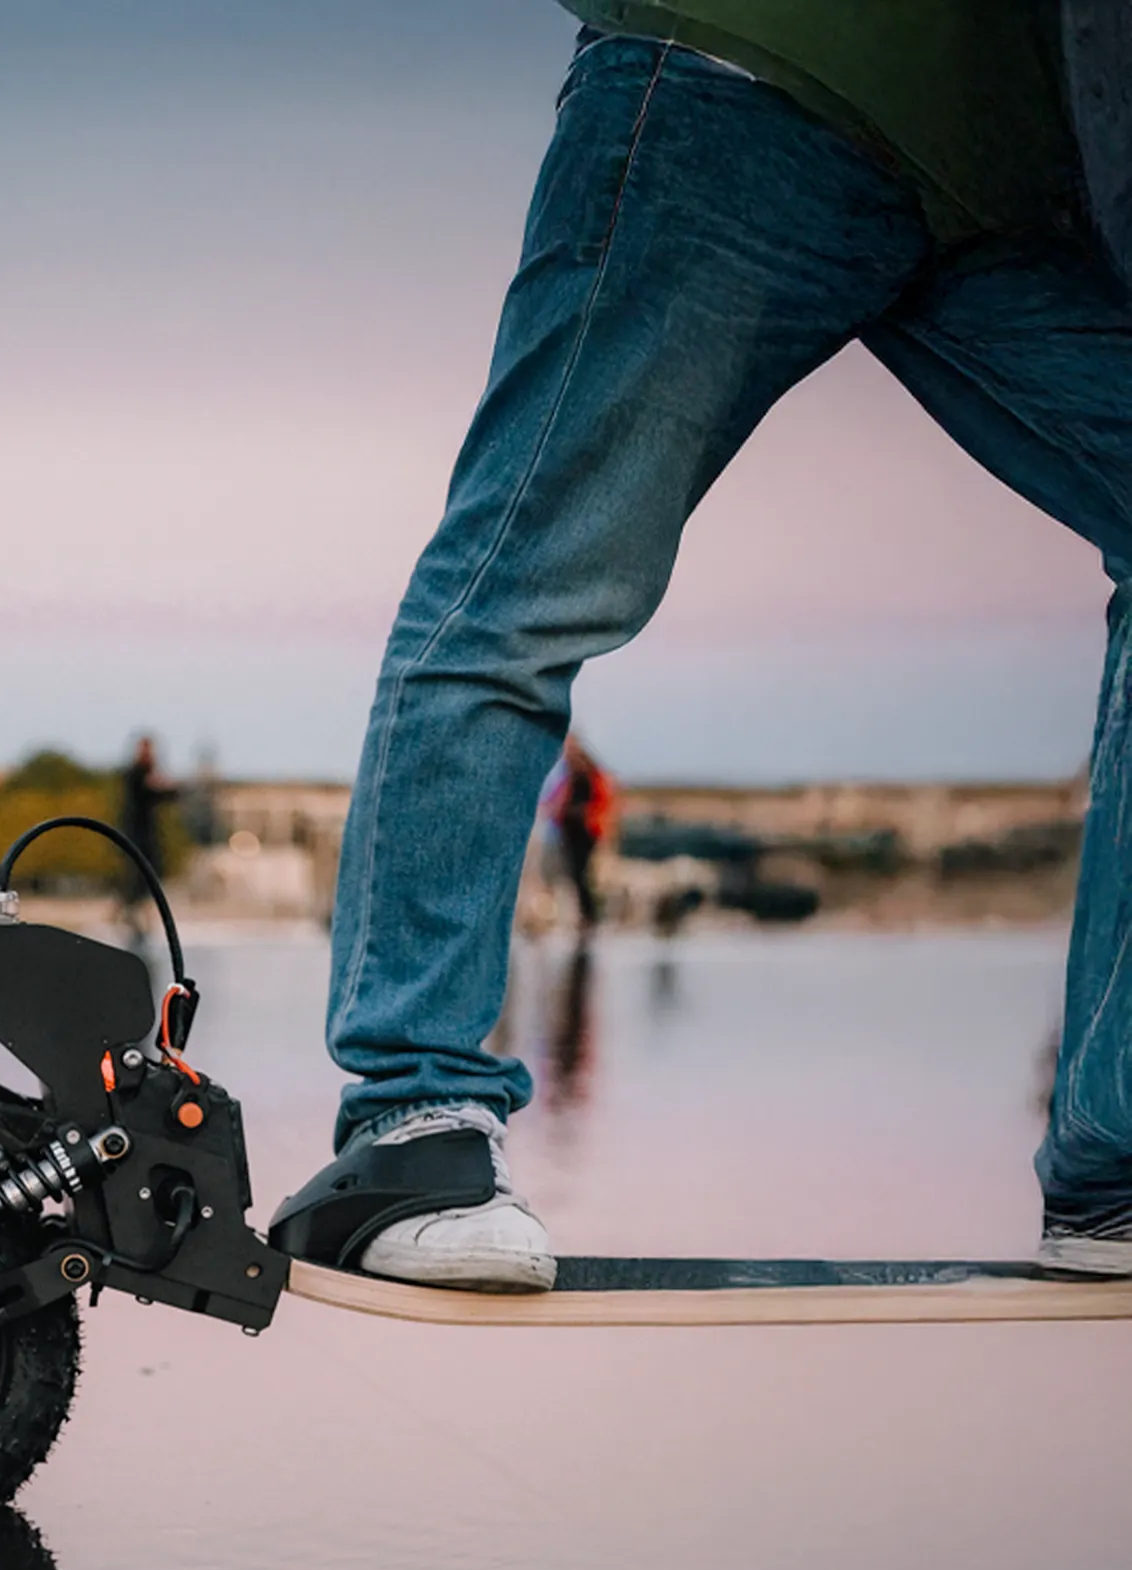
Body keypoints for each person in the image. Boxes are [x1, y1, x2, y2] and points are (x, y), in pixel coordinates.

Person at [292, 4, 1132, 1290]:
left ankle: (1116, 1162)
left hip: (997, 179)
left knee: (532, 579)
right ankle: (412, 1117)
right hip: (748, 79)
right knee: (536, 574)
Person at [540, 732, 618, 930]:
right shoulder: (569, 776)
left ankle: (590, 916)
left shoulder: (587, 775)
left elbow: (599, 803)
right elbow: (557, 800)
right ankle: (586, 915)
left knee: (581, 874)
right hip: (571, 831)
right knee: (575, 874)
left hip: (584, 832)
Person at [117, 734, 177, 912]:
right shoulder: (136, 774)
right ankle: (130, 907)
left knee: (149, 869)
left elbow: (168, 795)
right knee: (137, 871)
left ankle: (137, 906)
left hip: (146, 830)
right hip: (136, 830)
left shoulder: (146, 773)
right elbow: (145, 793)